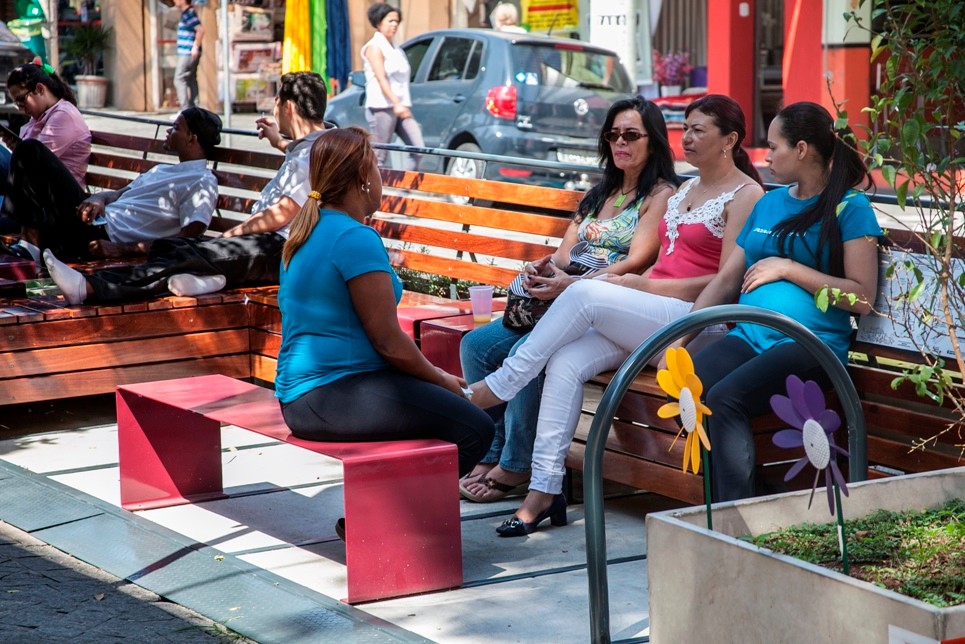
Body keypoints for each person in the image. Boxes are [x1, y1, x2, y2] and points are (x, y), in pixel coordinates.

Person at [467, 95, 765, 536]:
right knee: (565, 362)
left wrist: (640, 285)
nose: (689, 137)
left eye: (700, 129)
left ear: (730, 139)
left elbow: (725, 280)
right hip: (652, 314)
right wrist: (630, 283)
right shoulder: (684, 188)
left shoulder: (746, 194)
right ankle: (543, 492)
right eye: (687, 127)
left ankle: (503, 383)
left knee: (586, 294)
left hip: (696, 320)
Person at [459, 96, 678, 503]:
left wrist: (570, 285)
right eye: (613, 135)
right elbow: (564, 253)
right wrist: (540, 269)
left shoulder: (660, 196)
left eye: (631, 135)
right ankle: (490, 453)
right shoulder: (600, 193)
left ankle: (517, 465)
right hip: (561, 295)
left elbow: (636, 261)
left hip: (606, 303)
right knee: (476, 344)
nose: (620, 143)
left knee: (528, 351)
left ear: (654, 141)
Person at [681, 102, 882, 502]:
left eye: (774, 147)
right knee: (693, 382)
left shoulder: (849, 207)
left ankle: (733, 518)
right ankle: (736, 496)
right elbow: (727, 278)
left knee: (726, 398)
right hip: (751, 335)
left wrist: (789, 268)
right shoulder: (770, 202)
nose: (766, 156)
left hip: (809, 345)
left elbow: (862, 297)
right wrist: (681, 337)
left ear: (802, 149)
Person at [274, 127, 494, 486]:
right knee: (475, 428)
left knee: (443, 409)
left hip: (306, 397)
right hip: (329, 396)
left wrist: (436, 383)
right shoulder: (354, 237)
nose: (381, 176)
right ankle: (386, 526)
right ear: (363, 178)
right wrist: (440, 379)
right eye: (377, 166)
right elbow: (388, 342)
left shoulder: (306, 229)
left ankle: (381, 517)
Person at [43, 72, 329, 305]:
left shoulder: (311, 153)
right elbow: (299, 155)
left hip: (280, 248)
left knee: (187, 252)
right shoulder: (314, 146)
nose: (274, 108)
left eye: (277, 102)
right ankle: (210, 279)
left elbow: (281, 214)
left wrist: (229, 235)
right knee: (172, 246)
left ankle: (90, 288)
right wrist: (279, 141)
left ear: (288, 107)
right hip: (268, 244)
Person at [11, 107, 220, 262]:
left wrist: (122, 249)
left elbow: (186, 240)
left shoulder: (202, 182)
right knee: (28, 154)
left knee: (30, 151)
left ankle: (30, 248)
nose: (168, 131)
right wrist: (99, 198)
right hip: (92, 217)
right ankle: (30, 248)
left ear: (192, 138)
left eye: (175, 128)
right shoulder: (162, 169)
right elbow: (119, 194)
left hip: (103, 235)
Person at [0, 62, 91, 249]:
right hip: (34, 199)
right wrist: (17, 146)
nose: (20, 108)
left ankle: (28, 247)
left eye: (21, 100)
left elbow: (34, 164)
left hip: (52, 206)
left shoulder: (63, 115)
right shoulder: (40, 117)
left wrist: (20, 149)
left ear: (40, 89)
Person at [361, 2, 424, 171]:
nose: (394, 25)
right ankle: (373, 194)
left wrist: (400, 104)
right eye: (390, 21)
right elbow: (381, 78)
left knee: (418, 148)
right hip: (382, 107)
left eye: (397, 21)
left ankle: (404, 191)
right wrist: (395, 102)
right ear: (378, 22)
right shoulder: (374, 46)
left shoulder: (397, 48)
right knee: (379, 156)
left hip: (400, 107)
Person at [173, 0, 204, 108]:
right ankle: (193, 107)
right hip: (188, 51)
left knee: (179, 78)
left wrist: (195, 46)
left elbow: (200, 30)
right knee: (190, 78)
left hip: (187, 52)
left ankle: (185, 108)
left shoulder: (189, 13)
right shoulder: (186, 13)